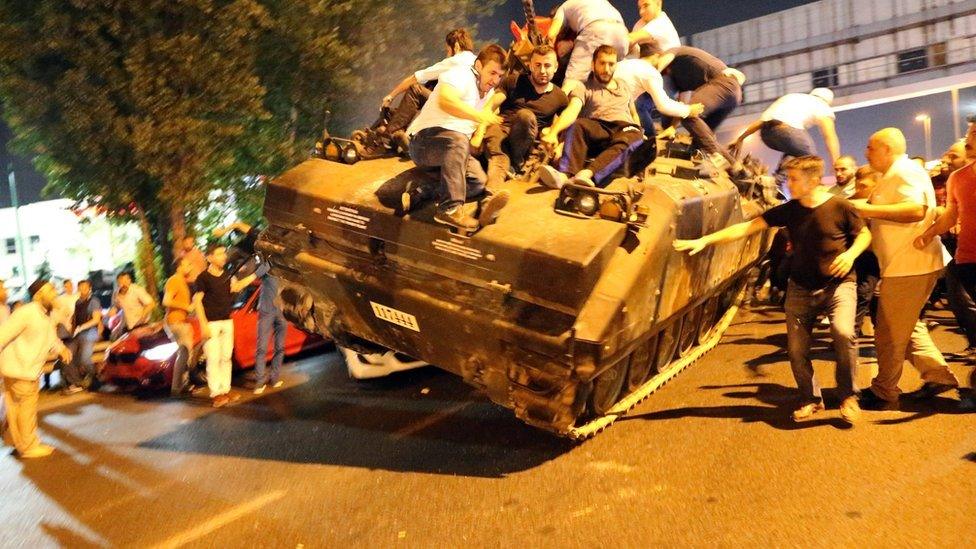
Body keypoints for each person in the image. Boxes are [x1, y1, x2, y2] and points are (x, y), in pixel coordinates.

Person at [674, 156, 871, 423]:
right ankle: (810, 399)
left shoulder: (840, 206)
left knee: (843, 332)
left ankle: (848, 395)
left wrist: (851, 255)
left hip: (839, 284)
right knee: (797, 349)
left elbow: (863, 234)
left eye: (793, 179)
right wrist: (706, 240)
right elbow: (748, 227)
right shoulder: (790, 210)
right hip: (800, 287)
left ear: (813, 180)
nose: (788, 184)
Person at [852, 128, 959, 410]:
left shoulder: (904, 171)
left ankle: (884, 391)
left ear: (887, 149)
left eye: (870, 147)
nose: (866, 152)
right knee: (907, 329)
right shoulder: (896, 174)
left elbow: (915, 210)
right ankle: (939, 376)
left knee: (888, 332)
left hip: (910, 264)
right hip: (907, 263)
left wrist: (866, 210)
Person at [404, 44, 510, 232]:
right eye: (492, 73)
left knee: (477, 181)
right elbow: (446, 101)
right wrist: (479, 117)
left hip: (451, 150)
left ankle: (423, 191)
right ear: (478, 66)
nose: (495, 80)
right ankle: (449, 209)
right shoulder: (460, 75)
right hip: (424, 143)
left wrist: (479, 132)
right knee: (458, 141)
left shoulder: (489, 93)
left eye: (500, 76)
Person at [539, 45, 642, 189]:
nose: (606, 69)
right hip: (598, 129)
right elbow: (572, 110)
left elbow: (633, 113)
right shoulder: (583, 87)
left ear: (616, 65)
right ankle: (564, 175)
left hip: (624, 130)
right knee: (578, 124)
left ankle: (586, 175)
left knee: (635, 135)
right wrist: (554, 133)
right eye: (602, 63)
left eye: (611, 64)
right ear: (593, 65)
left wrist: (640, 131)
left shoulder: (624, 86)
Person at [480, 45, 569, 189]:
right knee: (499, 161)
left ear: (556, 67)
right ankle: (491, 197)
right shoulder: (513, 81)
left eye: (547, 65)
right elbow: (490, 106)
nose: (542, 70)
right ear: (530, 65)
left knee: (525, 116)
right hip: (501, 129)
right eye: (538, 65)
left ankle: (515, 164)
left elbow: (566, 128)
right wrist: (479, 131)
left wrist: (559, 146)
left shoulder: (560, 97)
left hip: (525, 141)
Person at [0, 279, 72, 458]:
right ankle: (29, 447)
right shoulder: (26, 312)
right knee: (26, 409)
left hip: (24, 370)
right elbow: (2, 336)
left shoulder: (47, 314)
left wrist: (61, 348)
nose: (55, 292)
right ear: (38, 294)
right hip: (20, 369)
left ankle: (17, 442)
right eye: (51, 290)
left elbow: (51, 338)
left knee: (15, 409)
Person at [213, 221, 286, 395]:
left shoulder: (284, 254)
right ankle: (260, 382)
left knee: (280, 347)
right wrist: (226, 229)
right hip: (267, 308)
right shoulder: (266, 255)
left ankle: (274, 378)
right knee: (261, 347)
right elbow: (263, 268)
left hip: (281, 309)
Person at [382, 29, 476, 148]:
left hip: (451, 107)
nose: (447, 55)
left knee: (415, 90)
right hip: (467, 114)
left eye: (448, 51)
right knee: (432, 84)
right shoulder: (476, 60)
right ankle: (407, 129)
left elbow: (415, 78)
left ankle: (389, 137)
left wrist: (391, 96)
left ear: (456, 47)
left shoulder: (455, 61)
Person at [653, 46, 745, 168]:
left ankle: (715, 154)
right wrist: (672, 128)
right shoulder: (682, 80)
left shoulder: (671, 52)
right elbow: (682, 105)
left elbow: (655, 70)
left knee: (688, 113)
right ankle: (735, 167)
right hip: (733, 94)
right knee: (701, 136)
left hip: (725, 83)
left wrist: (648, 78)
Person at [194, 243, 257, 407]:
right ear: (210, 257)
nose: (224, 256)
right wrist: (203, 325)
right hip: (212, 323)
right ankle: (216, 393)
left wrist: (257, 273)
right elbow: (197, 302)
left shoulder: (228, 275)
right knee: (213, 359)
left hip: (227, 321)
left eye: (224, 253)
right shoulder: (203, 278)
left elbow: (236, 286)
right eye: (220, 254)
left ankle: (226, 389)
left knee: (226, 357)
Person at [733, 88, 841, 180]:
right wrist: (836, 161)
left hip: (766, 134)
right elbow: (829, 136)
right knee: (811, 159)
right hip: (786, 131)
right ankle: (784, 181)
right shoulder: (822, 105)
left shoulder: (790, 97)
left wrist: (740, 138)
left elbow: (762, 121)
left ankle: (776, 181)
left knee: (795, 152)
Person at [612, 50, 704, 140]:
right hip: (615, 112)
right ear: (656, 55)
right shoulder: (650, 73)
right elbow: (663, 105)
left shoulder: (628, 63)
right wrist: (689, 110)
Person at [546, 0, 630, 94]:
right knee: (608, 76)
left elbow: (551, 34)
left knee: (572, 82)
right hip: (622, 34)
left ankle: (560, 106)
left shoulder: (564, 6)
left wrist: (548, 47)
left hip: (596, 30)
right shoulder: (603, 3)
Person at [162, 257, 200, 397]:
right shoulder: (174, 280)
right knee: (185, 353)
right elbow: (166, 301)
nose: (190, 266)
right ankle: (178, 387)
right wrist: (187, 306)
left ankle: (180, 385)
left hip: (179, 321)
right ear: (179, 267)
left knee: (184, 354)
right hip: (176, 322)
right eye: (188, 264)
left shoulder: (182, 282)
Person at [851, 166, 881, 337]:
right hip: (863, 256)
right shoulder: (851, 203)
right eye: (858, 185)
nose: (858, 190)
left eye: (864, 186)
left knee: (871, 295)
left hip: (882, 256)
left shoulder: (884, 204)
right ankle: (853, 331)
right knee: (862, 292)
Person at [61, 280, 102, 395]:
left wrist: (81, 327)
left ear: (90, 288)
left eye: (85, 287)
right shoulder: (77, 302)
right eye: (81, 287)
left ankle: (95, 378)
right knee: (67, 354)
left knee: (84, 359)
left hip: (90, 333)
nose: (83, 289)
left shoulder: (94, 301)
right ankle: (76, 383)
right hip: (77, 334)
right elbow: (75, 319)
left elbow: (96, 319)